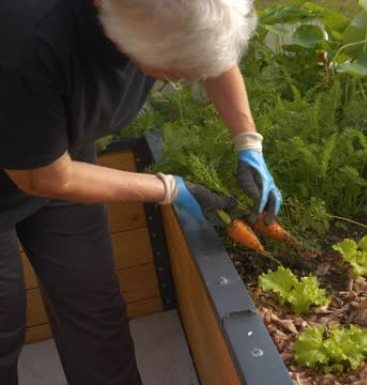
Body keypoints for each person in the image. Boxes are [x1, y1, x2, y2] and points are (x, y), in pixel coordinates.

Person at [0, 0, 281, 384]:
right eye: (173, 74)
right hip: (37, 165)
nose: (181, 80)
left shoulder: (166, 11)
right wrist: (168, 188)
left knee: (94, 301)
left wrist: (248, 142)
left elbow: (207, 44)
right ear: (125, 40)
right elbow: (41, 177)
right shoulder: (28, 42)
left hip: (56, 148)